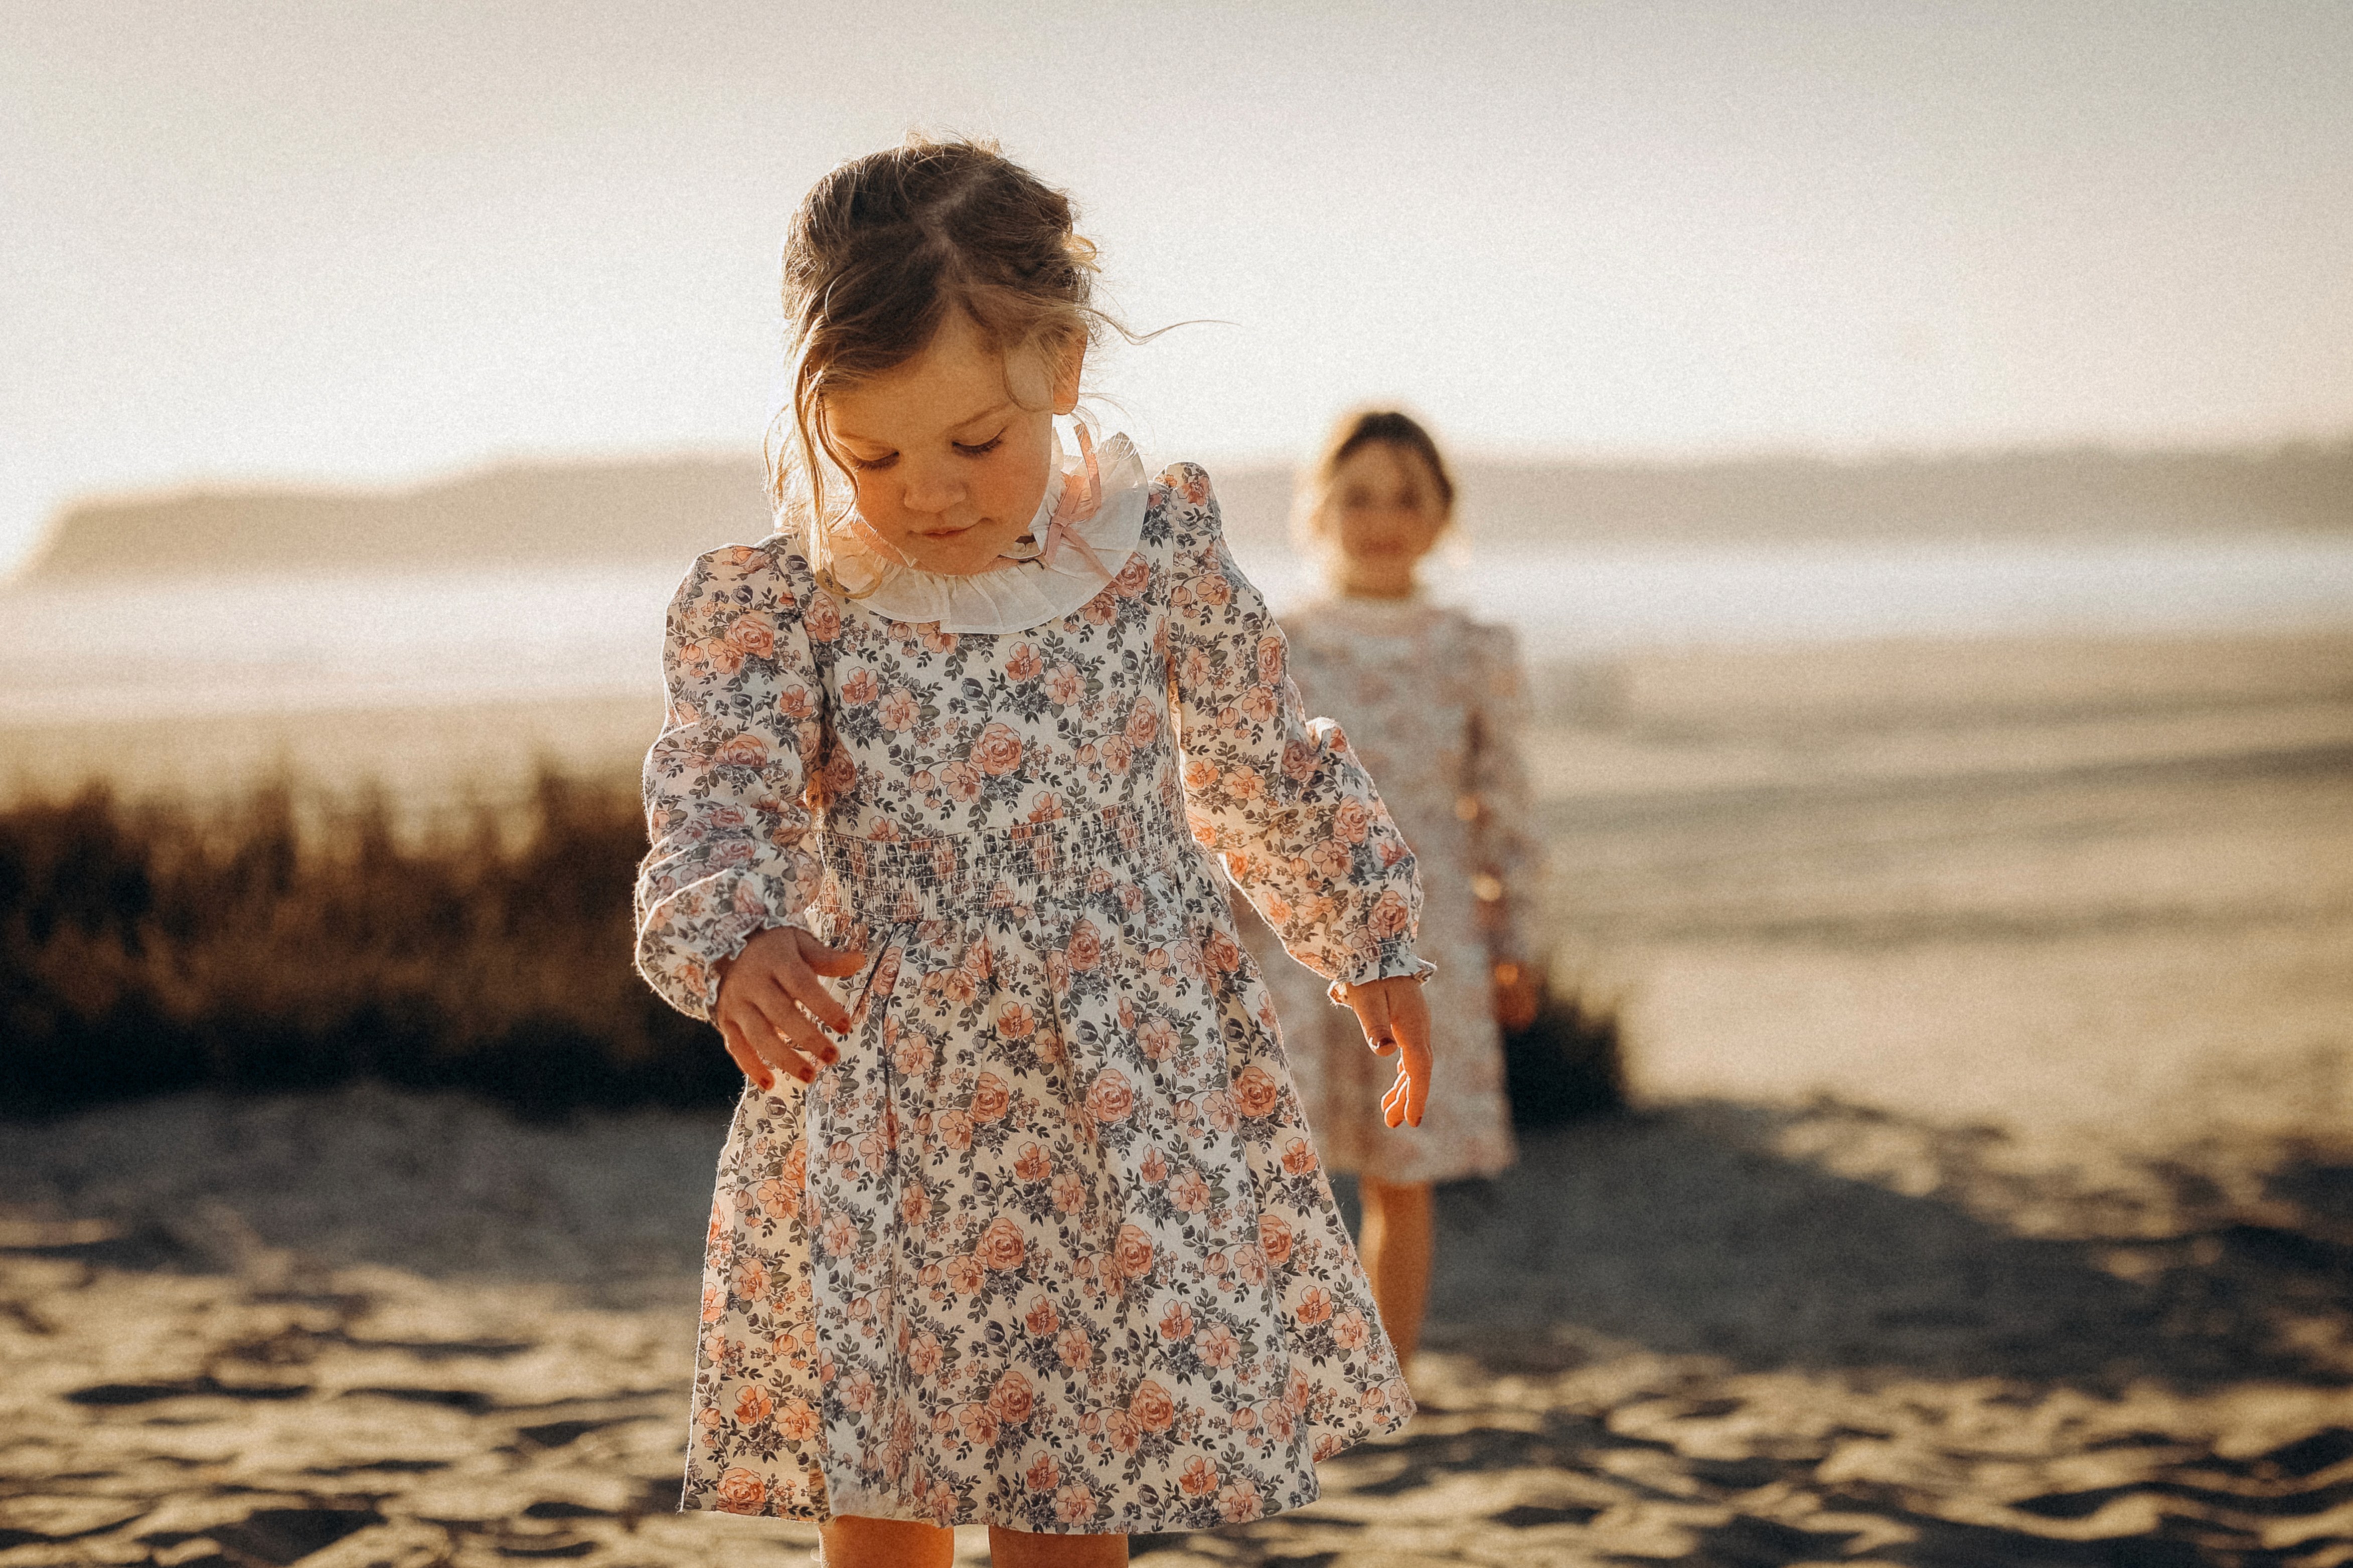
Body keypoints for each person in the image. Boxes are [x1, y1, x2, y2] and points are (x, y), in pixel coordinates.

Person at [632, 137, 1437, 1568]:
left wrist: (1364, 937)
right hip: (888, 1095)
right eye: (868, 454)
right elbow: (716, 795)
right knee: (884, 1493)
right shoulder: (794, 601)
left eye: (970, 443)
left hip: (1115, 1094)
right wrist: (739, 935)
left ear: (1060, 366)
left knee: (1072, 1493)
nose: (924, 492)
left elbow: (1253, 763)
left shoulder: (1156, 554)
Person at [1237, 409, 1542, 1370]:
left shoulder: (1473, 648)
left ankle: (1388, 1382)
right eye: (1358, 495)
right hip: (1292, 942)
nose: (1382, 518)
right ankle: (1274, 1381)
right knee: (1272, 1170)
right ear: (1318, 508)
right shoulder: (1274, 641)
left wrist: (1517, 943)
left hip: (1432, 939)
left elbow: (1504, 812)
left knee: (1400, 1174)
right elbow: (1236, 800)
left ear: (1442, 511)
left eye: (1407, 497)